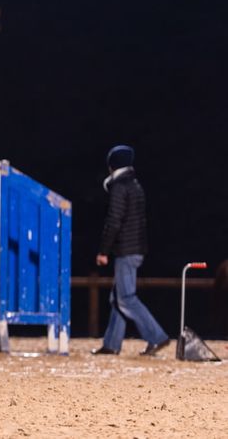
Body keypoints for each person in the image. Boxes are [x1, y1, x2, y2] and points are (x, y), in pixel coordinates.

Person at [92, 145, 171, 356]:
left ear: (112, 165)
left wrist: (103, 251)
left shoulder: (120, 186)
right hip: (136, 248)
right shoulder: (135, 185)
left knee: (126, 297)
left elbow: (114, 221)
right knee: (118, 297)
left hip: (126, 250)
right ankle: (111, 344)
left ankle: (157, 336)